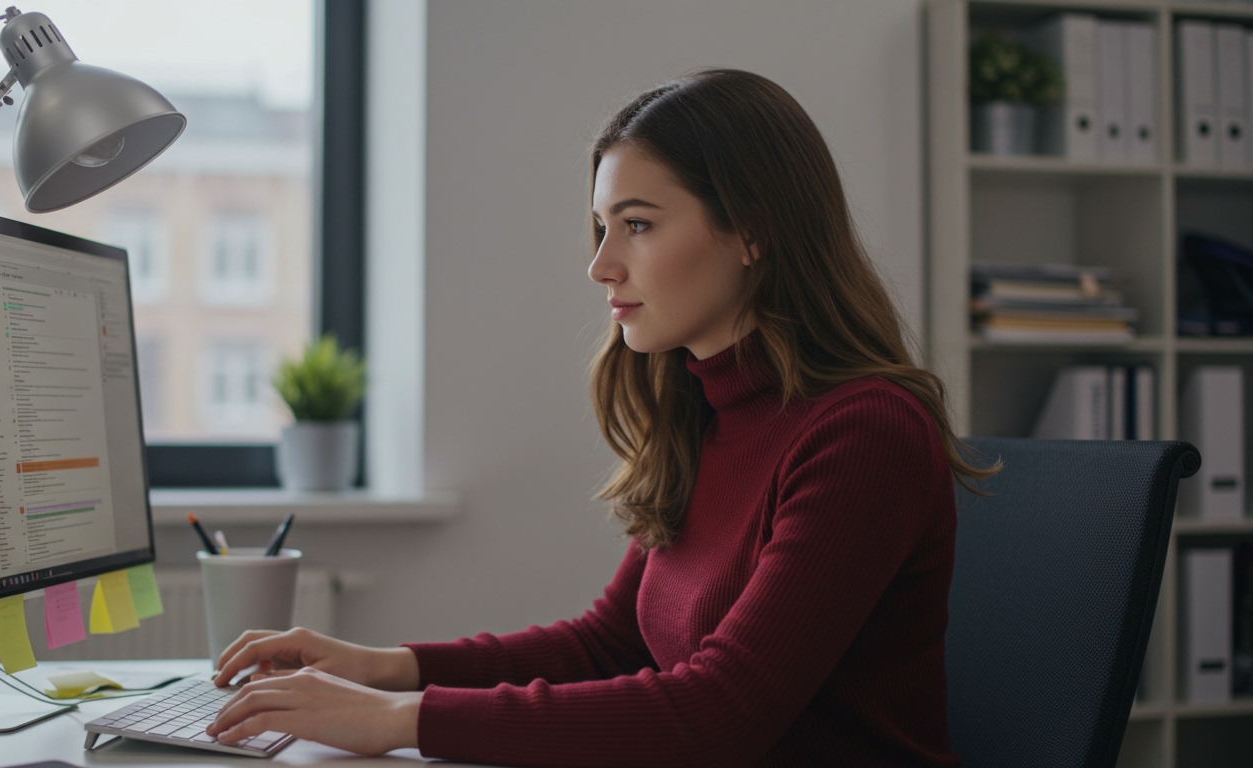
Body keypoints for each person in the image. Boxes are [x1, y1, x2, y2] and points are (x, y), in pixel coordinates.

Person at [205, 68, 996, 767]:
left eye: (639, 224)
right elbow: (610, 644)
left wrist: (396, 720)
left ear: (753, 230)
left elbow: (715, 717)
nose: (600, 263)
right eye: (602, 225)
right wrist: (382, 668)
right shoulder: (702, 411)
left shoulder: (864, 433)